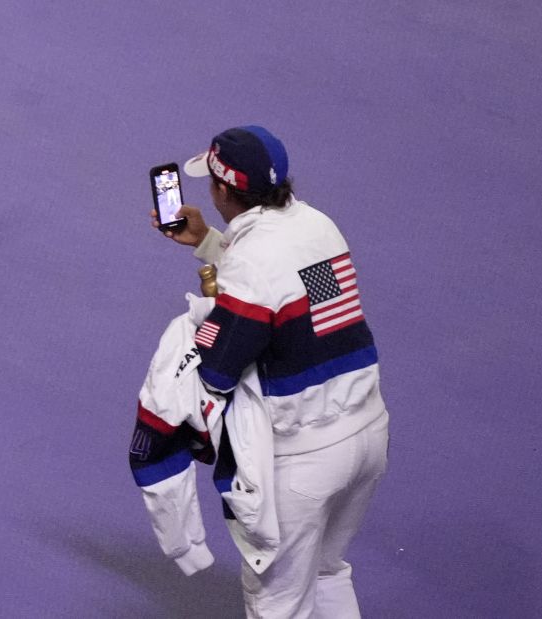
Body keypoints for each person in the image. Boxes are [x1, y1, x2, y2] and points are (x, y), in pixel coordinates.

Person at [155, 125, 388, 618]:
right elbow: (292, 291)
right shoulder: (316, 226)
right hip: (366, 436)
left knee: (278, 605)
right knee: (326, 574)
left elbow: (216, 373)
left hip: (304, 460)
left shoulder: (255, 264)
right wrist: (209, 244)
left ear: (223, 190)